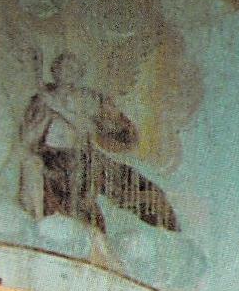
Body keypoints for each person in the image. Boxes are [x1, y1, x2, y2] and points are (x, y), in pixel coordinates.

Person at [19, 51, 178, 234]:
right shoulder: (42, 100)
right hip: (53, 160)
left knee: (132, 186)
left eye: (73, 68)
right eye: (64, 66)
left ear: (79, 75)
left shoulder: (85, 99)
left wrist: (56, 107)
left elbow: (87, 128)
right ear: (55, 70)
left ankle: (163, 222)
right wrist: (44, 114)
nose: (68, 71)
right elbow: (27, 139)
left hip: (83, 158)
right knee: (81, 215)